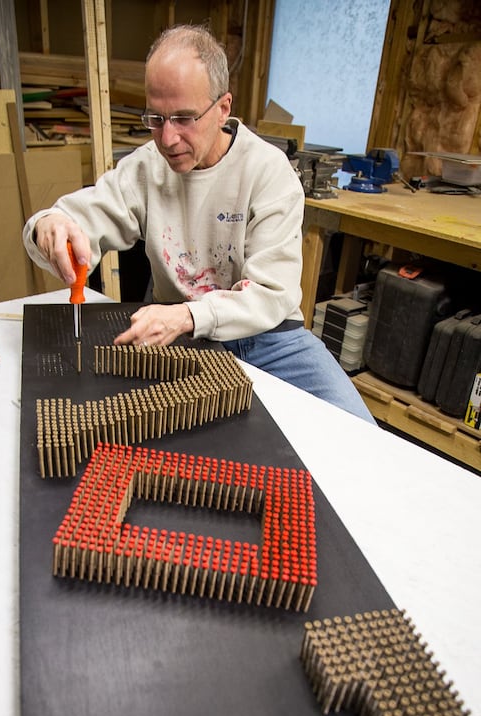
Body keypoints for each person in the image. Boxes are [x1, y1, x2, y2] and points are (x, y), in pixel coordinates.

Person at [23, 24, 375, 424]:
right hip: (180, 337)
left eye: (184, 118)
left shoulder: (268, 172)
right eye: (155, 118)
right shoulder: (146, 168)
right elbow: (81, 216)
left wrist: (190, 315)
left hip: (269, 336)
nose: (168, 139)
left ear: (223, 108)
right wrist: (49, 223)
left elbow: (272, 295)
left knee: (361, 434)